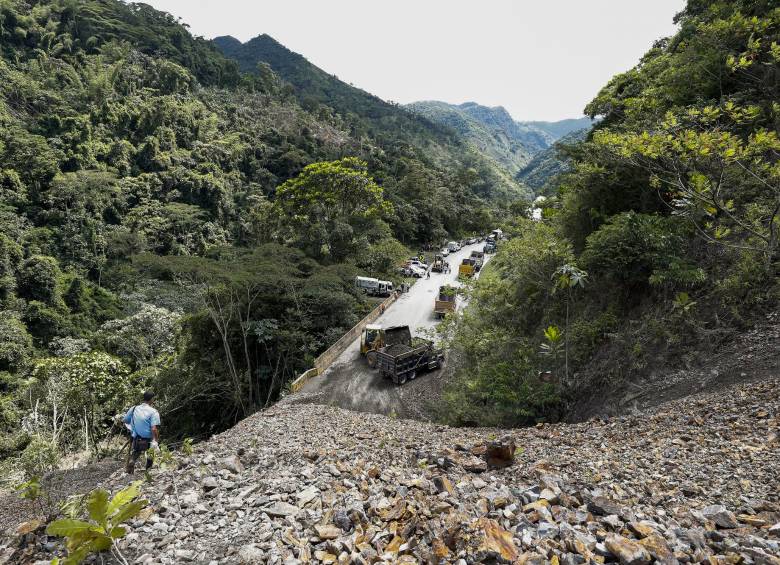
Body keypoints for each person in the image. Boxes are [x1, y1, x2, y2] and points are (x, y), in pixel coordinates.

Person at [123, 391, 161, 474]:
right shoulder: (153, 412)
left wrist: (133, 425)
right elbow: (154, 428)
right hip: (148, 438)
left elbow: (125, 420)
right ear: (152, 399)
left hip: (137, 436)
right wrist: (156, 440)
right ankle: (148, 470)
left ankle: (132, 461)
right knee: (150, 453)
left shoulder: (134, 408)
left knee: (136, 451)